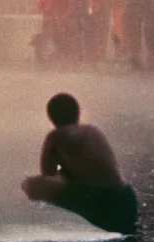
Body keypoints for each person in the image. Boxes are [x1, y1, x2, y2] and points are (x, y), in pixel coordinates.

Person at [21, 93, 138, 234]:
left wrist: (62, 170)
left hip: (106, 205)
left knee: (31, 185)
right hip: (127, 200)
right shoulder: (93, 130)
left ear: (51, 117)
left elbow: (47, 174)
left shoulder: (56, 136)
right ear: (78, 113)